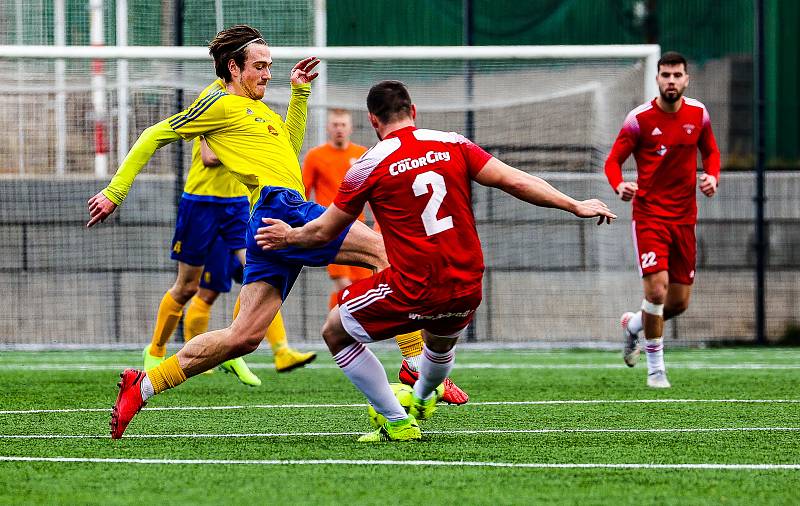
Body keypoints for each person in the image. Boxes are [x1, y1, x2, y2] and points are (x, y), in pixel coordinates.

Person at [255, 80, 616, 442]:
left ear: (373, 121)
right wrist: (574, 204)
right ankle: (424, 396)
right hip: (467, 284)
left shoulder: (368, 164)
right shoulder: (453, 143)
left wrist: (288, 236)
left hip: (414, 284)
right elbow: (515, 180)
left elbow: (323, 232)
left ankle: (396, 421)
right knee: (440, 346)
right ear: (413, 112)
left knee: (335, 332)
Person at [90, 25, 389, 439]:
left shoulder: (260, 108)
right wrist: (114, 191)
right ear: (234, 67)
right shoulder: (217, 101)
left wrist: (299, 94)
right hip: (281, 206)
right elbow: (152, 135)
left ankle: (143, 385)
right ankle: (416, 367)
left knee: (243, 337)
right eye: (260, 67)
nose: (268, 74)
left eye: (270, 67)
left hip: (268, 214)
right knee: (383, 251)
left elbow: (287, 151)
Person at [303, 108, 468, 404]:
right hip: (332, 227)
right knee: (354, 293)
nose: (339, 129)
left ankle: (408, 363)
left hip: (366, 230)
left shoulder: (369, 155)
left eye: (343, 124)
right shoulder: (317, 156)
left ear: (356, 126)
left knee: (392, 288)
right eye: (335, 124)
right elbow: (303, 192)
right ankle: (408, 361)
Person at [141, 136, 316, 386]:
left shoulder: (253, 110)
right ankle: (156, 350)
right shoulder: (212, 100)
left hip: (238, 205)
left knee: (259, 274)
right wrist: (247, 150)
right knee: (188, 286)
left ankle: (265, 349)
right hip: (201, 203)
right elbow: (209, 158)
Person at [604, 51, 720, 388]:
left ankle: (634, 325)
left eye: (677, 75)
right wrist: (619, 184)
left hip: (684, 219)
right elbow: (613, 161)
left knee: (678, 303)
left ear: (687, 79)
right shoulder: (639, 119)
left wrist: (712, 176)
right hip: (650, 216)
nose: (671, 81)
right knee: (656, 291)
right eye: (665, 75)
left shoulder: (698, 114)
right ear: (657, 78)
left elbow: (711, 152)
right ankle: (656, 369)